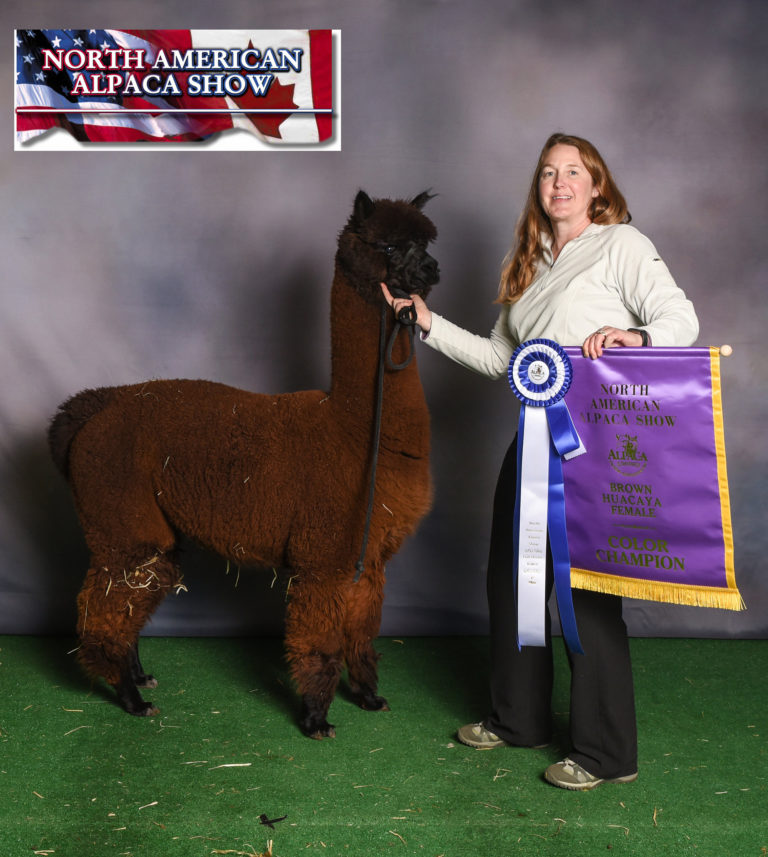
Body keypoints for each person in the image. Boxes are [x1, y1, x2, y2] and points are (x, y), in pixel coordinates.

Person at [381, 132, 698, 790]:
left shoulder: (623, 246)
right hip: (531, 439)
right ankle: (518, 717)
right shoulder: (525, 262)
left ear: (597, 185)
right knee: (513, 582)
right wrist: (427, 321)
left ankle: (608, 753)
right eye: (548, 172)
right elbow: (501, 360)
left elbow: (681, 319)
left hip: (598, 443)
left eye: (573, 171)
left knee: (587, 597)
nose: (559, 182)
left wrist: (635, 336)